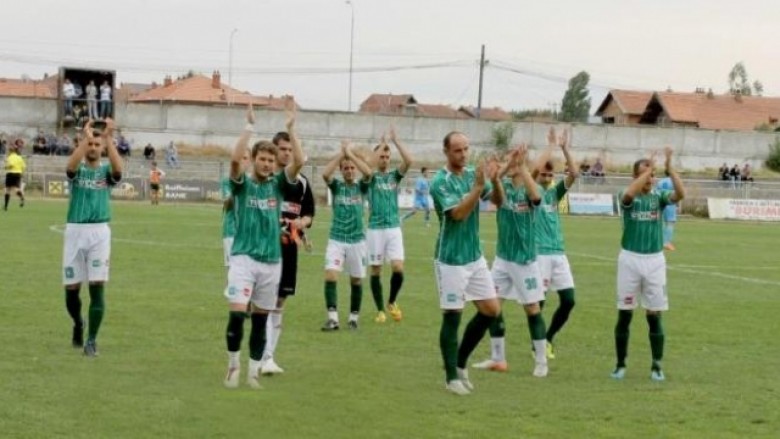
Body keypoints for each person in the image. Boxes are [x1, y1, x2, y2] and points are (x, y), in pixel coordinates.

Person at [222, 101, 305, 389]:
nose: (268, 163)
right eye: (263, 159)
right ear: (254, 159)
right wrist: (249, 127)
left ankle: (253, 373)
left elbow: (300, 161)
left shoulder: (277, 185)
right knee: (236, 314)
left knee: (259, 321)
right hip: (244, 259)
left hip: (272, 262)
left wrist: (292, 128)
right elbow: (234, 161)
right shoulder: (242, 185)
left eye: (272, 160)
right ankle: (233, 366)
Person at [431, 131, 501, 396]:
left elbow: (497, 201)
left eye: (466, 149)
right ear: (446, 152)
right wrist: (478, 187)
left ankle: (460, 363)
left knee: (491, 310)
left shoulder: (474, 174)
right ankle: (451, 378)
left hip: (475, 256)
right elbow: (458, 214)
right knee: (452, 316)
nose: (463, 154)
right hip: (451, 259)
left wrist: (495, 180)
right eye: (458, 150)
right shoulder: (440, 182)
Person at [471, 144, 549, 377]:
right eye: (510, 159)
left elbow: (536, 198)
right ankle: (498, 358)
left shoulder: (530, 187)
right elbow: (489, 191)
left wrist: (522, 166)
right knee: (492, 307)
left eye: (517, 159)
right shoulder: (500, 186)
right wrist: (505, 167)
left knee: (532, 309)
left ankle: (542, 361)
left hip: (525, 260)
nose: (513, 162)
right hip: (503, 260)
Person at [611, 146, 685, 382]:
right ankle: (620, 364)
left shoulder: (659, 198)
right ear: (635, 177)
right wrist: (648, 171)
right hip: (630, 260)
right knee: (625, 314)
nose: (650, 178)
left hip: (654, 261)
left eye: (653, 175)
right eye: (645, 174)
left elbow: (680, 194)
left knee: (654, 315)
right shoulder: (627, 195)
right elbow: (628, 196)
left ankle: (656, 366)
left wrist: (670, 170)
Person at [62, 119, 123, 357]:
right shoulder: (79, 170)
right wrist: (84, 137)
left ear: (103, 148)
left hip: (99, 232)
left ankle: (92, 341)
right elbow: (70, 166)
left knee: (97, 287)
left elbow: (119, 170)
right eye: (91, 144)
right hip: (75, 231)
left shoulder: (106, 172)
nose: (93, 147)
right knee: (71, 291)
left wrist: (109, 137)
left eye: (97, 144)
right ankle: (78, 322)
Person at [259, 120, 316, 375]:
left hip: (289, 247)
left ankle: (268, 356)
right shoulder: (269, 180)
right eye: (282, 149)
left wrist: (300, 227)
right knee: (264, 302)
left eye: (289, 149)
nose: (286, 153)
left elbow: (308, 215)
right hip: (265, 247)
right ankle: (259, 354)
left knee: (280, 300)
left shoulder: (302, 183)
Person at [533, 127, 579, 360]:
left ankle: (548, 337)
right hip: (539, 254)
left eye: (551, 176)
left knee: (569, 300)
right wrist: (549, 147)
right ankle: (539, 344)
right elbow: (531, 173)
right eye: (544, 175)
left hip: (558, 253)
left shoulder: (553, 194)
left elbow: (573, 174)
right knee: (537, 304)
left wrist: (564, 149)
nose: (548, 179)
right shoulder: (530, 193)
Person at [320, 141, 373, 331]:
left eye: (352, 168)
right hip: (337, 239)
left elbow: (368, 173)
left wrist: (350, 154)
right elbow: (325, 174)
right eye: (346, 168)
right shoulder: (336, 187)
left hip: (357, 241)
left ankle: (353, 318)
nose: (350, 171)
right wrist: (340, 155)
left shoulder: (362, 187)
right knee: (330, 276)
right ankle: (333, 319)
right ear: (341, 171)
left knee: (356, 280)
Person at [366, 126, 413, 324]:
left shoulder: (394, 176)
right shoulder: (370, 177)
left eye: (387, 156)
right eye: (382, 156)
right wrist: (380, 145)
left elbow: (409, 161)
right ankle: (379, 310)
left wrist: (394, 141)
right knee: (376, 270)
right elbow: (368, 164)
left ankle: (392, 301)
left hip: (393, 227)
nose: (384, 159)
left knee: (398, 268)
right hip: (375, 228)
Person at [655, 172, 677, 251]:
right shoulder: (673, 181)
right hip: (670, 203)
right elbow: (677, 193)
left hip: (660, 203)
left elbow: (656, 191)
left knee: (660, 222)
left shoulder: (660, 181)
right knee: (670, 223)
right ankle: (667, 242)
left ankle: (659, 241)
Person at [3, 139, 27, 210]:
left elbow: (10, 165)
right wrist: (21, 173)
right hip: (18, 174)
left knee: (7, 190)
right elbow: (24, 167)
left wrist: (5, 167)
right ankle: (21, 197)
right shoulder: (20, 157)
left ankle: (6, 206)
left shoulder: (10, 157)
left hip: (10, 173)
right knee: (16, 189)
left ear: (11, 151)